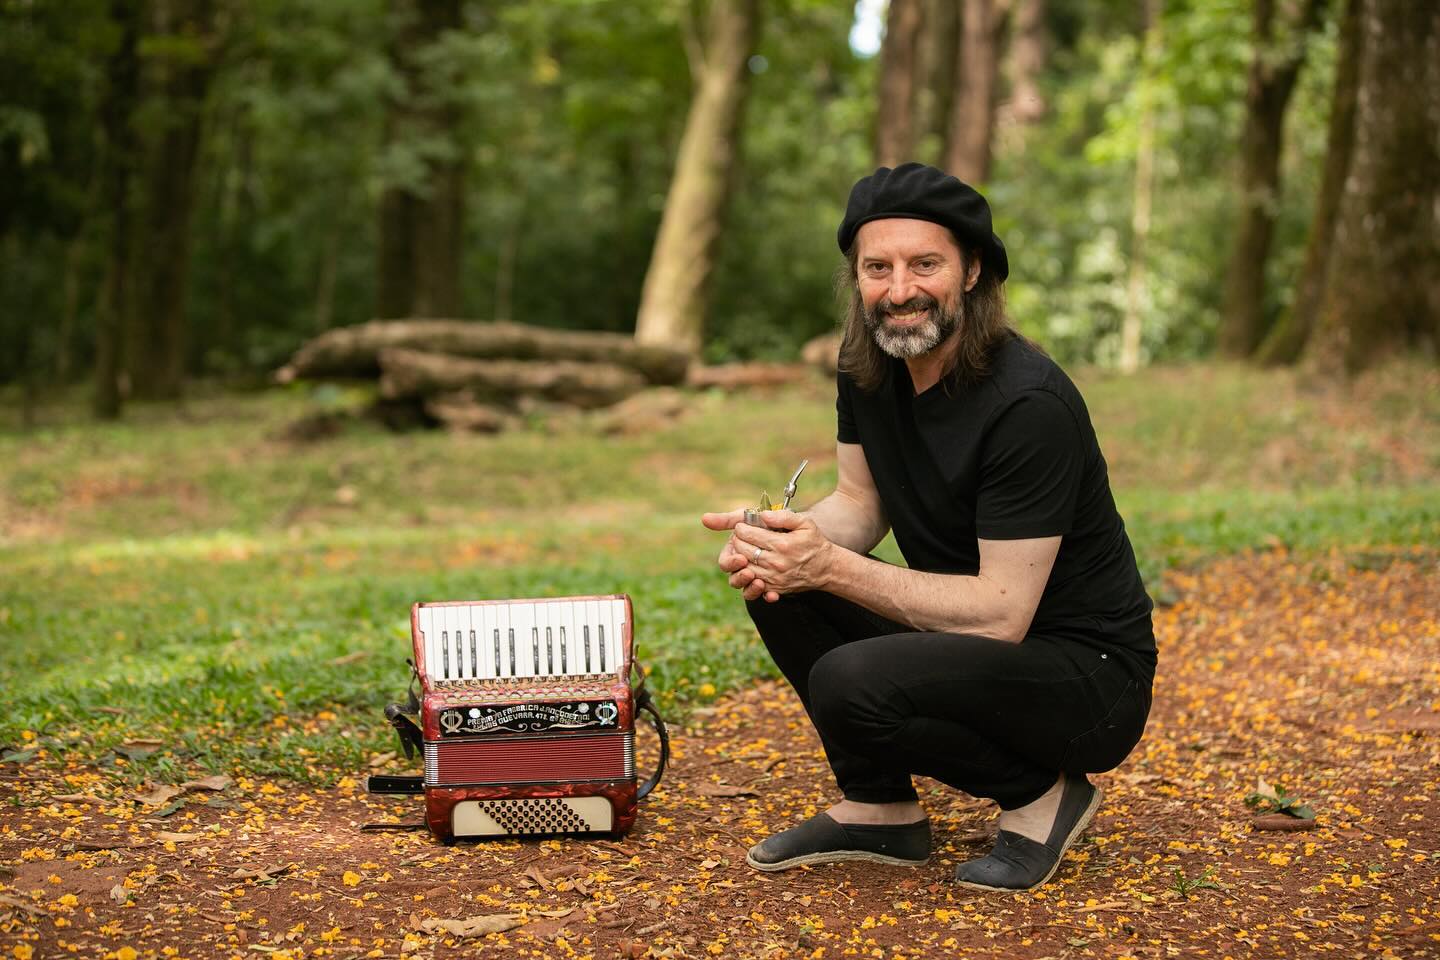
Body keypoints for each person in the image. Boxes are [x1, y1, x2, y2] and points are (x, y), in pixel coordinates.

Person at [701, 162, 1156, 891]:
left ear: (972, 271)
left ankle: (1044, 797)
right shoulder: (867, 366)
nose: (900, 290)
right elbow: (860, 504)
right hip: (971, 646)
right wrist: (784, 540)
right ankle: (879, 808)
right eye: (877, 267)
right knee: (776, 585)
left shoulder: (1027, 404)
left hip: (1085, 677)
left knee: (853, 678)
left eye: (925, 264)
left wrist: (830, 567)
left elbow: (1005, 615)